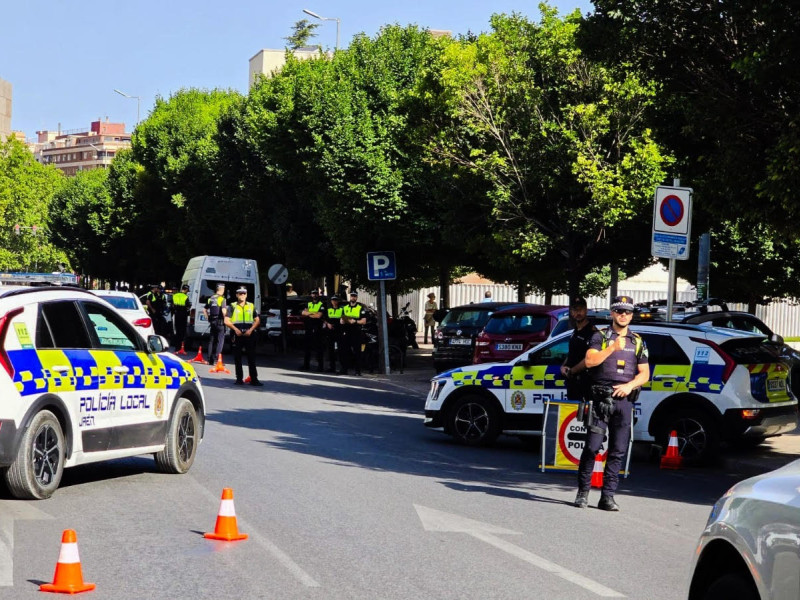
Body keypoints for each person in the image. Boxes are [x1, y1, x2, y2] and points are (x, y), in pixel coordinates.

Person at [575, 295, 650, 511]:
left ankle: (607, 497)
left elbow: (645, 373)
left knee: (618, 450)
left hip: (624, 401)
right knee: (592, 447)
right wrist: (612, 349)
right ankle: (583, 493)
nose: (623, 315)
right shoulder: (600, 336)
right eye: (619, 311)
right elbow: (590, 361)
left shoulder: (637, 341)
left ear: (632, 315)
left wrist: (630, 386)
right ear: (612, 314)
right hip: (601, 400)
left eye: (627, 312)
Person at [560, 297, 596, 402]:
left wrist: (572, 371)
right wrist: (563, 366)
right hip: (573, 381)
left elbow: (590, 359)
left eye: (581, 309)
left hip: (585, 381)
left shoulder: (592, 332)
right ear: (571, 312)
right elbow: (572, 353)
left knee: (583, 415)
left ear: (586, 310)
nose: (578, 312)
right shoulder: (575, 331)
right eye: (575, 310)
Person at [225, 286, 263, 386]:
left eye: (244, 293)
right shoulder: (232, 306)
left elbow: (257, 320)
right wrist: (235, 329)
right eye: (240, 293)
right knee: (237, 358)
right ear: (236, 295)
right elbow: (226, 321)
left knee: (251, 357)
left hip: (249, 334)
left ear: (246, 295)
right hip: (237, 335)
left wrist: (250, 330)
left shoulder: (251, 306)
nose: (242, 295)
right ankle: (239, 379)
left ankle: (254, 379)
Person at [340, 292, 366, 375]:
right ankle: (344, 370)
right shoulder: (345, 307)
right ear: (350, 297)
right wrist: (343, 321)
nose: (353, 298)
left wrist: (355, 321)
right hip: (347, 331)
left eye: (354, 296)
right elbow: (341, 320)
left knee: (357, 352)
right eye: (352, 296)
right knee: (345, 351)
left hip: (356, 331)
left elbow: (363, 321)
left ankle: (358, 371)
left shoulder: (360, 308)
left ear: (357, 298)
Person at [301, 289, 325, 372]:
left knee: (319, 348)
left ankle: (320, 366)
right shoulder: (309, 303)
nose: (314, 295)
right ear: (311, 295)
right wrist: (312, 313)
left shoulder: (321, 304)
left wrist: (309, 313)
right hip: (309, 327)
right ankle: (306, 365)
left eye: (316, 294)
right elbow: (303, 313)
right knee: (307, 347)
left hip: (318, 328)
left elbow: (319, 316)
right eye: (313, 293)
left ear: (318, 295)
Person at [203, 283, 228, 364]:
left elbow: (204, 310)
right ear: (222, 290)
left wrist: (208, 318)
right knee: (220, 341)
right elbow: (224, 312)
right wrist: (227, 320)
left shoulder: (211, 298)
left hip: (212, 321)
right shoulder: (222, 299)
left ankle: (210, 359)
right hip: (220, 322)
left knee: (211, 340)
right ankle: (217, 359)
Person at [324, 295, 344, 373]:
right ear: (331, 301)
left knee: (340, 350)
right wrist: (328, 324)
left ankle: (342, 368)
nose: (334, 302)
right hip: (330, 331)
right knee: (330, 350)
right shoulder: (328, 310)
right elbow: (324, 319)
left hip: (339, 331)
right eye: (333, 300)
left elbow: (344, 318)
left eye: (336, 300)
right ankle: (332, 367)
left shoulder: (341, 310)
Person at [171, 284, 192, 350]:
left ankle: (176, 347)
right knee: (182, 331)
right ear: (185, 289)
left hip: (176, 314)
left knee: (177, 330)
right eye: (187, 290)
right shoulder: (185, 297)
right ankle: (181, 347)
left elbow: (172, 305)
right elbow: (188, 306)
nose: (187, 292)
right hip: (183, 315)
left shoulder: (175, 295)